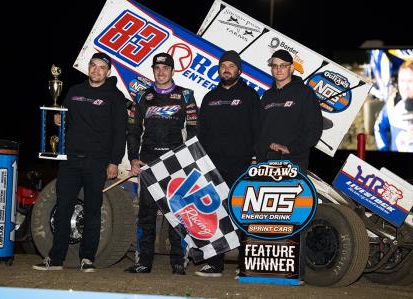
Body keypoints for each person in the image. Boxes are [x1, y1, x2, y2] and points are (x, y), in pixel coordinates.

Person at [32, 52, 128, 272]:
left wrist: (114, 162)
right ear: (89, 68)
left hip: (97, 162)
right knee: (63, 208)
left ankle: (87, 259)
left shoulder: (115, 96)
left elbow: (120, 132)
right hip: (70, 160)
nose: (96, 71)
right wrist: (59, 120)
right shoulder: (75, 92)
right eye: (93, 66)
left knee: (93, 211)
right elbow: (65, 121)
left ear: (108, 71)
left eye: (101, 67)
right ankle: (55, 259)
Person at [124, 52, 198, 275]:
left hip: (176, 161)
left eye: (166, 68)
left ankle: (178, 261)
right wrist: (133, 158)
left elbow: (194, 130)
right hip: (148, 162)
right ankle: (143, 262)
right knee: (146, 214)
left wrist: (190, 158)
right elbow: (133, 131)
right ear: (153, 71)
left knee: (177, 212)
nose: (161, 71)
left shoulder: (186, 95)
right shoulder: (142, 97)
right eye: (157, 68)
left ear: (172, 71)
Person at [195, 50, 260, 277]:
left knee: (243, 213)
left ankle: (246, 265)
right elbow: (201, 132)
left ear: (239, 71)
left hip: (241, 164)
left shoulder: (250, 96)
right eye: (223, 65)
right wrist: (199, 161)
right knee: (213, 213)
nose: (227, 69)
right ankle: (214, 263)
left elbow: (257, 130)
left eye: (231, 66)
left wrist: (254, 157)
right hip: (212, 165)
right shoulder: (209, 97)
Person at [257, 49, 323, 170]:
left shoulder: (305, 93)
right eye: (275, 66)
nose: (278, 69)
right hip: (264, 162)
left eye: (283, 65)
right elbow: (259, 128)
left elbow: (315, 128)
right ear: (271, 69)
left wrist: (290, 149)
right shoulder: (267, 96)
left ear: (291, 68)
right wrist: (255, 154)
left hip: (291, 163)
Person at [374, 61, 413, 152]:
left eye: (410, 81)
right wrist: (384, 150)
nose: (405, 86)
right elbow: (379, 128)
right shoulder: (392, 103)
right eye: (402, 81)